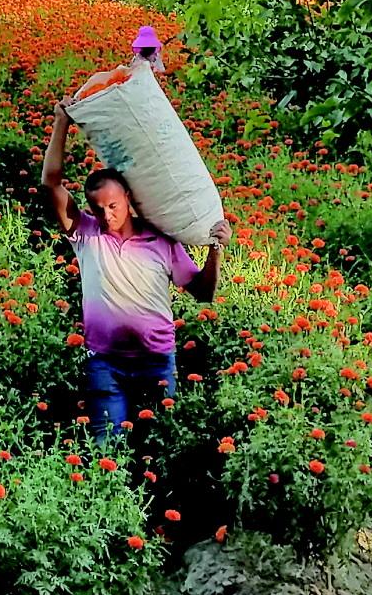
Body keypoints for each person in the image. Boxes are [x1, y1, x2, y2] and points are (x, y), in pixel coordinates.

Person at [41, 97, 232, 447]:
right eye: (99, 209)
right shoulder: (86, 235)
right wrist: (61, 122)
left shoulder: (161, 241)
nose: (107, 215)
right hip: (105, 365)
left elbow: (204, 293)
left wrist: (215, 250)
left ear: (128, 197)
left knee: (158, 448)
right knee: (107, 451)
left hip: (156, 362)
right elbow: (51, 184)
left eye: (113, 206)